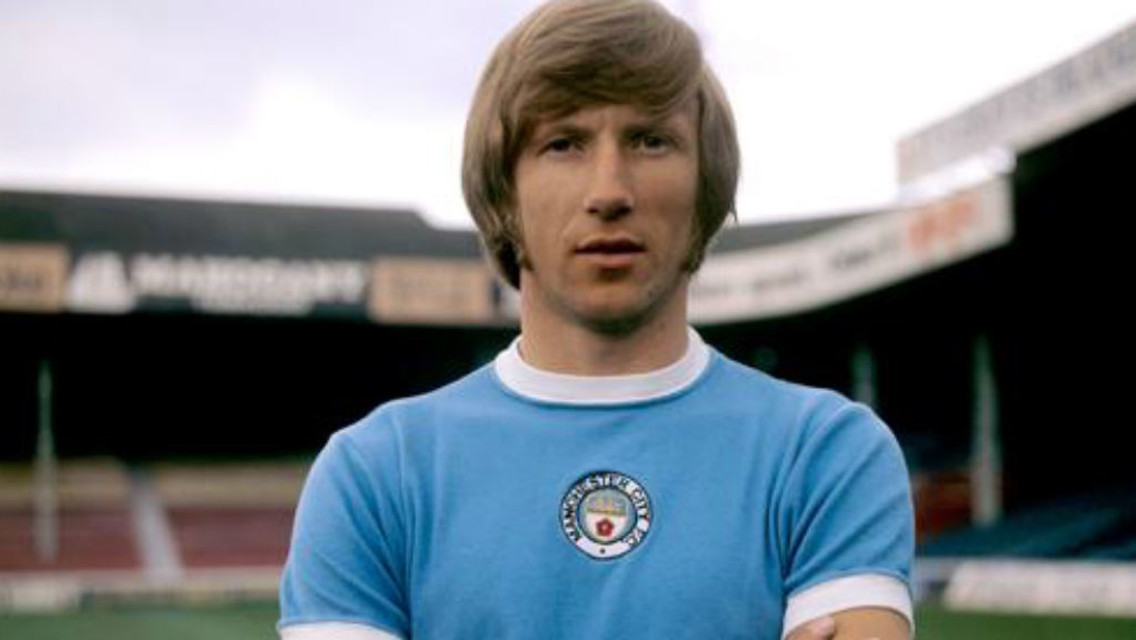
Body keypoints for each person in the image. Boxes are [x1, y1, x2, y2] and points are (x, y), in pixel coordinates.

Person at [277, 0, 915, 638]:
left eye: (650, 140)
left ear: (704, 187)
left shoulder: (826, 452)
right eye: (563, 144)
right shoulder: (375, 473)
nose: (609, 191)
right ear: (504, 193)